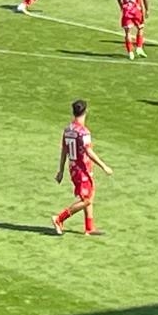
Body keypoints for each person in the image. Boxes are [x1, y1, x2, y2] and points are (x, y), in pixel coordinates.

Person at [52, 99, 111, 236]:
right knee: (86, 200)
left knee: (89, 195)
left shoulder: (68, 130)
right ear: (86, 112)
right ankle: (59, 218)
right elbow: (89, 152)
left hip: (73, 168)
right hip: (82, 169)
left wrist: (61, 170)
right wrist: (104, 166)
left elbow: (64, 151)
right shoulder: (84, 132)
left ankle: (89, 227)